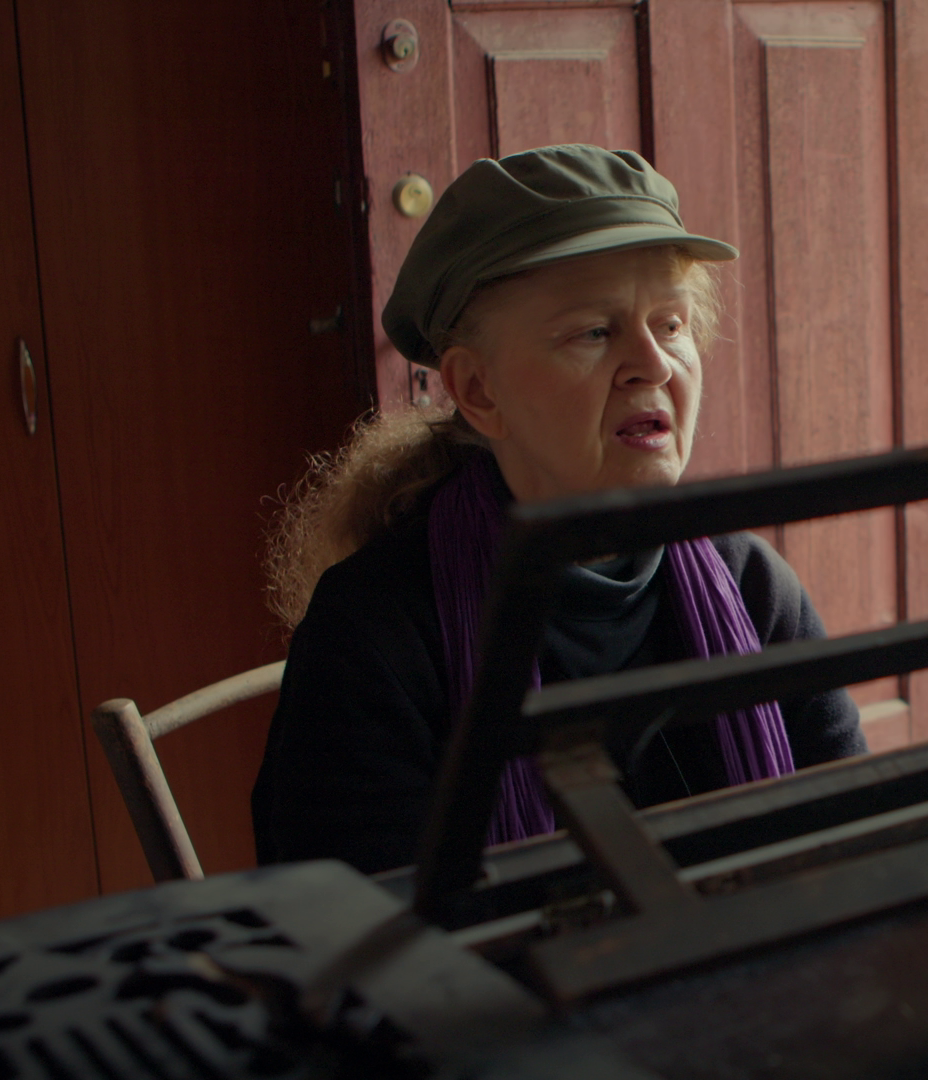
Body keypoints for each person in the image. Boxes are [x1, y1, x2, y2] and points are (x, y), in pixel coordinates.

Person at [253, 145, 866, 875]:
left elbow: (851, 846)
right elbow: (361, 943)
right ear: (478, 391)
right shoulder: (376, 633)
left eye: (670, 324)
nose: (655, 364)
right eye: (595, 332)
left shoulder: (754, 590)